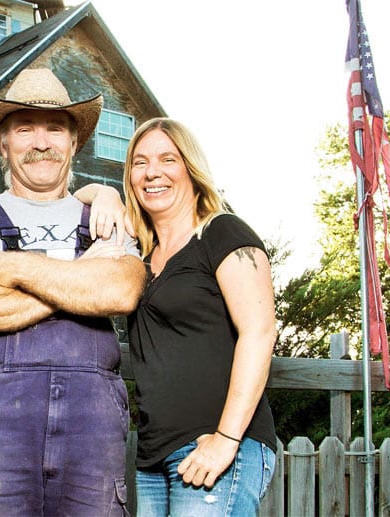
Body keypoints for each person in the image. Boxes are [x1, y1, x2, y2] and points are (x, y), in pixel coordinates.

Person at [0, 68, 146, 516]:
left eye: (55, 129)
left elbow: (122, 291)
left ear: (74, 142)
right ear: (3, 144)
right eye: (24, 129)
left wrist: (10, 267)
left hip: (93, 425)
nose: (41, 142)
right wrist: (80, 278)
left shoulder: (106, 216)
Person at [122, 117, 278, 516]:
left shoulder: (221, 232)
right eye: (140, 163)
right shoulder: (141, 254)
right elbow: (90, 201)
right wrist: (101, 195)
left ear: (190, 168)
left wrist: (226, 439)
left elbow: (259, 332)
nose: (152, 172)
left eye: (167, 159)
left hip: (218, 445)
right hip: (153, 459)